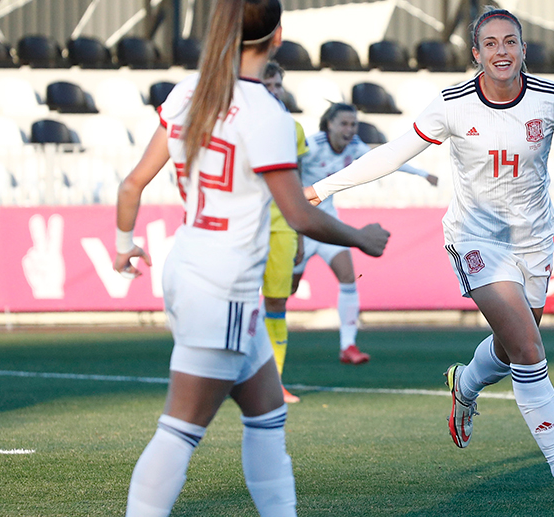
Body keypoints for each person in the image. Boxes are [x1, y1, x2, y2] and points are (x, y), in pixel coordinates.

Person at [305, 7, 554, 507]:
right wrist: (323, 188)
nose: (502, 51)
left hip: (534, 241)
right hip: (476, 240)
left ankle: (465, 383)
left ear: (523, 49)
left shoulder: (549, 98)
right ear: (476, 54)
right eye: (491, 43)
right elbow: (392, 153)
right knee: (529, 347)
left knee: (512, 346)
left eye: (510, 41)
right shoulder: (452, 104)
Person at [112, 1, 389, 515]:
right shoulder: (267, 112)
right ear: (277, 35)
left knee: (267, 417)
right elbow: (299, 214)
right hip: (225, 284)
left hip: (190, 265)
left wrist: (123, 243)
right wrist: (361, 238)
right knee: (179, 430)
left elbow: (131, 184)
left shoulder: (187, 93)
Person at [293, 102, 437, 364]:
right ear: (329, 124)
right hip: (300, 224)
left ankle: (348, 345)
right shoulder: (311, 146)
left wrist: (422, 173)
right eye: (344, 124)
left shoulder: (355, 146)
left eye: (353, 124)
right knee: (287, 289)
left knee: (348, 277)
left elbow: (387, 159)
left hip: (329, 224)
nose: (349, 130)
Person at [261, 60, 307, 403]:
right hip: (243, 224)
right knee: (237, 303)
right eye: (267, 85)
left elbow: (297, 182)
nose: (274, 91)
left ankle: (273, 381)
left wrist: (301, 231)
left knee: (277, 301)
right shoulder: (235, 123)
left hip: (282, 225)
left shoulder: (294, 129)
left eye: (277, 85)